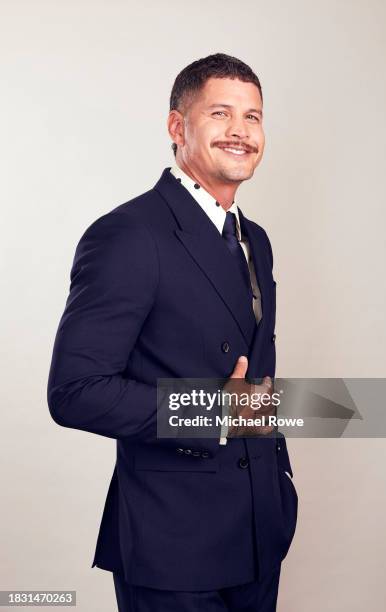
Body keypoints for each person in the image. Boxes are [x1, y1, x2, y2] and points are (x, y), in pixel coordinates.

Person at [47, 52, 298, 612]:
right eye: (221, 113)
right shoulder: (128, 235)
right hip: (174, 549)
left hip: (260, 534)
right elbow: (74, 392)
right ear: (177, 126)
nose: (241, 131)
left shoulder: (254, 237)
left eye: (253, 117)